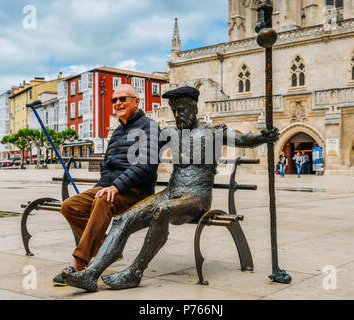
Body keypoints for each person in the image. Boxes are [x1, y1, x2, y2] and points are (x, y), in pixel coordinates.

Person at [62, 86, 280, 292]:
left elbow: (242, 139)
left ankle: (135, 272)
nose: (178, 115)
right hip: (171, 192)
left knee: (163, 210)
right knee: (123, 220)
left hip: (196, 197)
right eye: (175, 111)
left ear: (195, 108)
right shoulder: (170, 134)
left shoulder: (212, 132)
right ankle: (90, 274)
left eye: (183, 109)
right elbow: (144, 154)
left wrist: (264, 136)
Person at [52, 84, 161, 286]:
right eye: (114, 100)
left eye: (123, 99)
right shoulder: (118, 130)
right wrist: (102, 185)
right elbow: (109, 166)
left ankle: (79, 265)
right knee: (69, 206)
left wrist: (116, 187)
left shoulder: (150, 127)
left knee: (103, 199)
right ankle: (109, 247)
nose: (118, 103)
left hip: (137, 191)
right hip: (113, 188)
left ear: (136, 102)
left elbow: (146, 164)